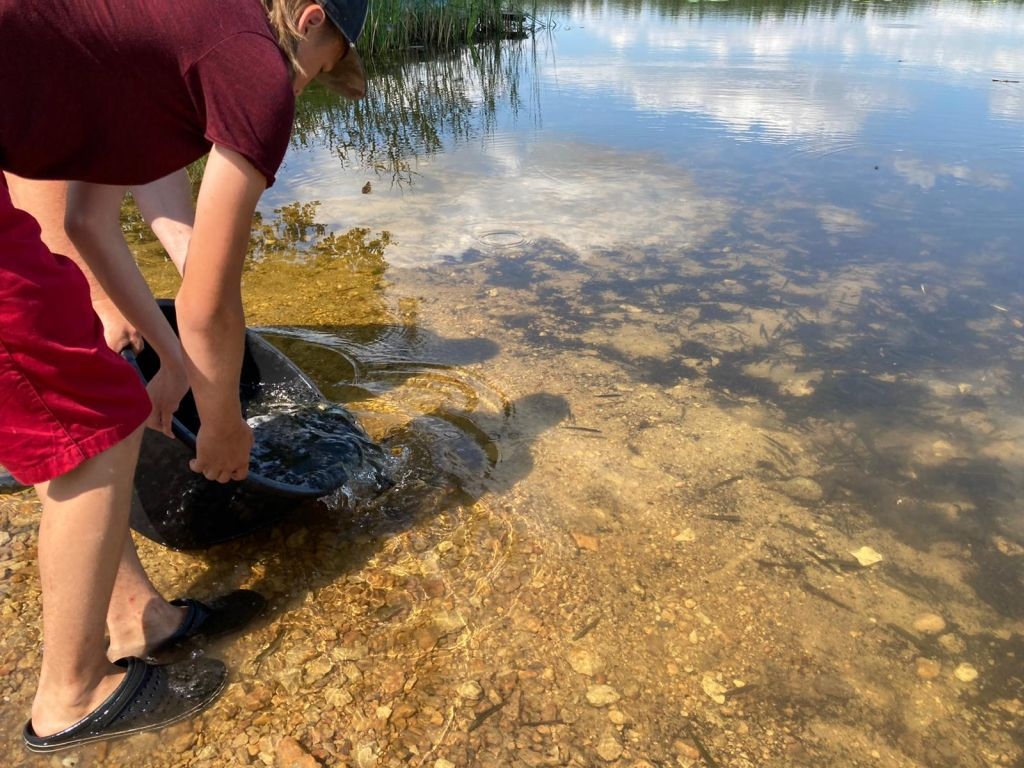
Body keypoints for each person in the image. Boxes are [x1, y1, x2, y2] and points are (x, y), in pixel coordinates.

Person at [0, 0, 369, 753]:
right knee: (95, 425)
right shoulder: (258, 71)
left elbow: (88, 222)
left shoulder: (181, 31)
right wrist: (223, 419)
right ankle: (70, 701)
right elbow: (205, 303)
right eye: (324, 66)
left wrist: (172, 362)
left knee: (82, 401)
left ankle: (138, 618)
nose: (303, 90)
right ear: (310, 18)